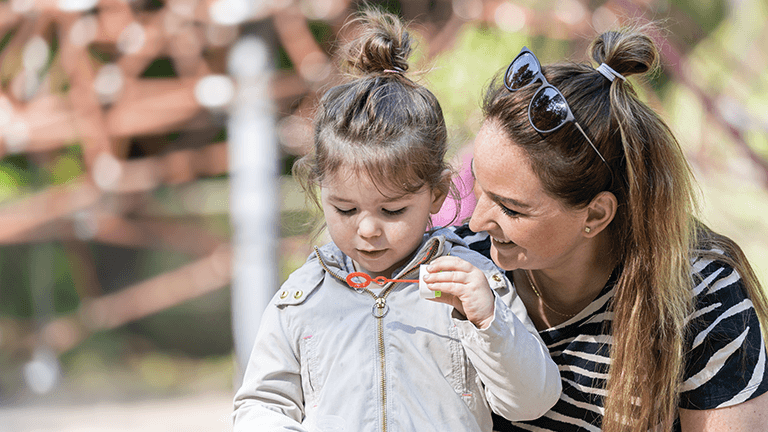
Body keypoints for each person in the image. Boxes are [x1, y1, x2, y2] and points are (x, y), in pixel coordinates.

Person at [232, 9, 561, 432]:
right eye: (345, 210)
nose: (367, 229)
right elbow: (261, 403)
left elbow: (530, 404)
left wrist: (488, 321)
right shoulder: (301, 297)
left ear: (437, 193)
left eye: (392, 211)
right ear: (320, 192)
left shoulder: (470, 281)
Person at [450, 22, 768, 432]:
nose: (475, 222)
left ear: (597, 215)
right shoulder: (466, 264)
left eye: (511, 209)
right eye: (478, 188)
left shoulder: (700, 296)